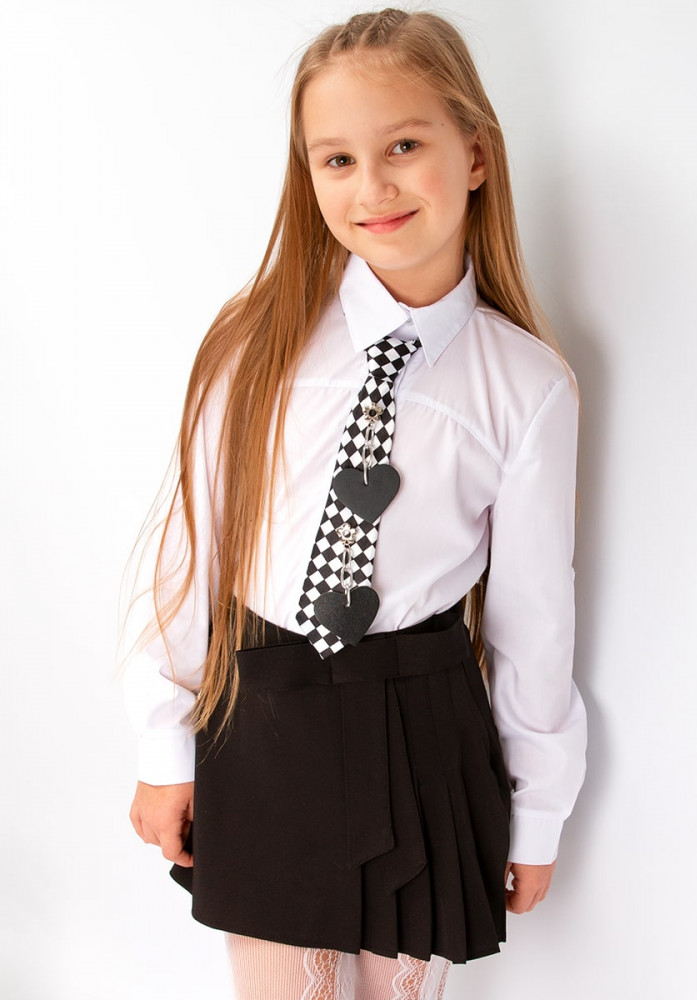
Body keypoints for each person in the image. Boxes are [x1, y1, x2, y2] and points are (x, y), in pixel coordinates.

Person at [121, 8, 587, 999]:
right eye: (337, 160)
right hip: (265, 717)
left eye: (403, 147)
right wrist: (164, 743)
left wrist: (538, 810)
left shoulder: (527, 385)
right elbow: (192, 554)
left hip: (425, 730)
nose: (371, 187)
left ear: (475, 154)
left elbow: (534, 621)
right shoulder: (255, 343)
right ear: (309, 175)